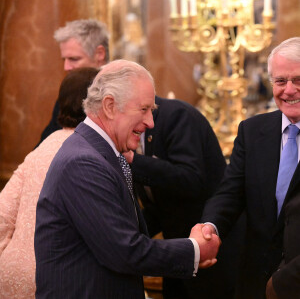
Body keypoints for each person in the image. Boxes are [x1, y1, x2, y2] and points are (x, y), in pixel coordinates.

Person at [34, 59, 220, 298]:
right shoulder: (84, 162)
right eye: (143, 109)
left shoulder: (100, 152)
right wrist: (194, 250)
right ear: (110, 106)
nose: (150, 122)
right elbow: (124, 251)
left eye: (151, 111)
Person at [200, 37, 300, 299]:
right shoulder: (252, 131)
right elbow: (230, 193)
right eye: (280, 81)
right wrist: (210, 226)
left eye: (298, 80)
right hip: (255, 281)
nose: (289, 90)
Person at [123, 96, 243, 299]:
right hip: (178, 253)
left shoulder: (177, 116)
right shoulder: (128, 131)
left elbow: (191, 180)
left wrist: (133, 161)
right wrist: (127, 240)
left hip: (211, 249)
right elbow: (160, 206)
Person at [0, 67, 99, 298]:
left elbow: (3, 213)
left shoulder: (44, 146)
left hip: (12, 276)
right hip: (59, 280)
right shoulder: (92, 151)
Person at [38, 19, 109, 142]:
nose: (66, 67)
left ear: (99, 54)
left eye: (74, 59)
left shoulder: (123, 94)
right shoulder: (69, 94)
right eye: (64, 60)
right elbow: (46, 142)